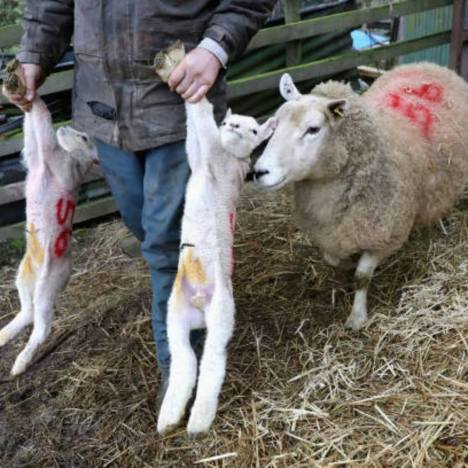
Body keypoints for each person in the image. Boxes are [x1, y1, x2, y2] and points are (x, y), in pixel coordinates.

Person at [7, 1, 277, 390]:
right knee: (146, 228)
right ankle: (194, 311)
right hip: (104, 109)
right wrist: (34, 55)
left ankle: (181, 373)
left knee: (167, 246)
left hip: (180, 103)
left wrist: (214, 48)